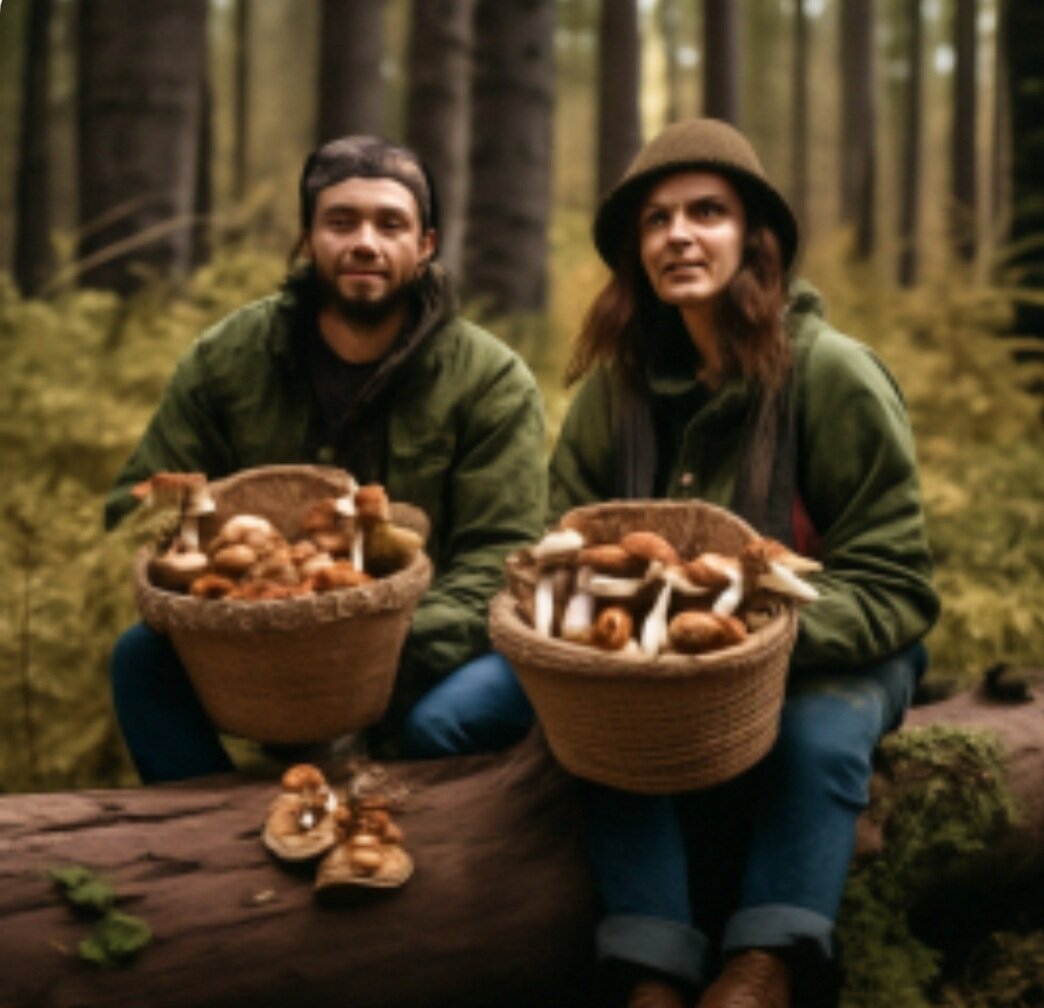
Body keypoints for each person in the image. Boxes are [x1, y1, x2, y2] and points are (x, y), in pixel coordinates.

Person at [402, 118, 940, 1008]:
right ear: (634, 253)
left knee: (815, 736)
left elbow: (895, 582)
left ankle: (765, 958)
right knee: (451, 722)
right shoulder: (612, 399)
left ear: (754, 238)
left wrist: (748, 640)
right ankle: (647, 967)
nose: (679, 236)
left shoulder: (834, 375)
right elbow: (552, 557)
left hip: (825, 649)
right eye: (656, 221)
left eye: (707, 213)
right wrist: (595, 652)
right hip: (629, 661)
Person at [105, 135, 547, 783]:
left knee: (443, 721)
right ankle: (211, 837)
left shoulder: (490, 380)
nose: (364, 242)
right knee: (139, 659)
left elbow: (500, 559)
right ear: (308, 240)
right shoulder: (228, 359)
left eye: (390, 224)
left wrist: (359, 646)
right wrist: (234, 606)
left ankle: (416, 841)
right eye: (341, 222)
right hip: (258, 632)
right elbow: (136, 507)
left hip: (431, 647)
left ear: (424, 247)